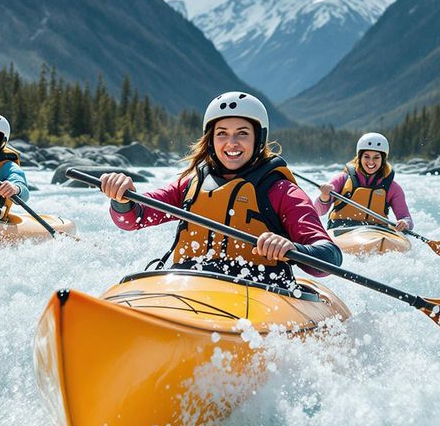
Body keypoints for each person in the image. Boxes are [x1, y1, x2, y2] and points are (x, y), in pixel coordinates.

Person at [99, 91, 342, 286]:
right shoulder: (191, 184)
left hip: (256, 291)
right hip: (189, 285)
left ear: (258, 139)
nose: (231, 143)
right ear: (211, 139)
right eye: (222, 133)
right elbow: (134, 218)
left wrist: (292, 248)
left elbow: (329, 255)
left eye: (242, 133)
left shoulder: (281, 191)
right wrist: (123, 198)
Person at [315, 132, 413, 231]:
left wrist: (405, 223)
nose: (371, 162)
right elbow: (318, 211)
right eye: (366, 156)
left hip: (376, 233)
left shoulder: (393, 187)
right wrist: (324, 196)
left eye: (376, 157)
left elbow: (406, 218)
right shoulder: (343, 179)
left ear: (383, 159)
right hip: (341, 230)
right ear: (359, 157)